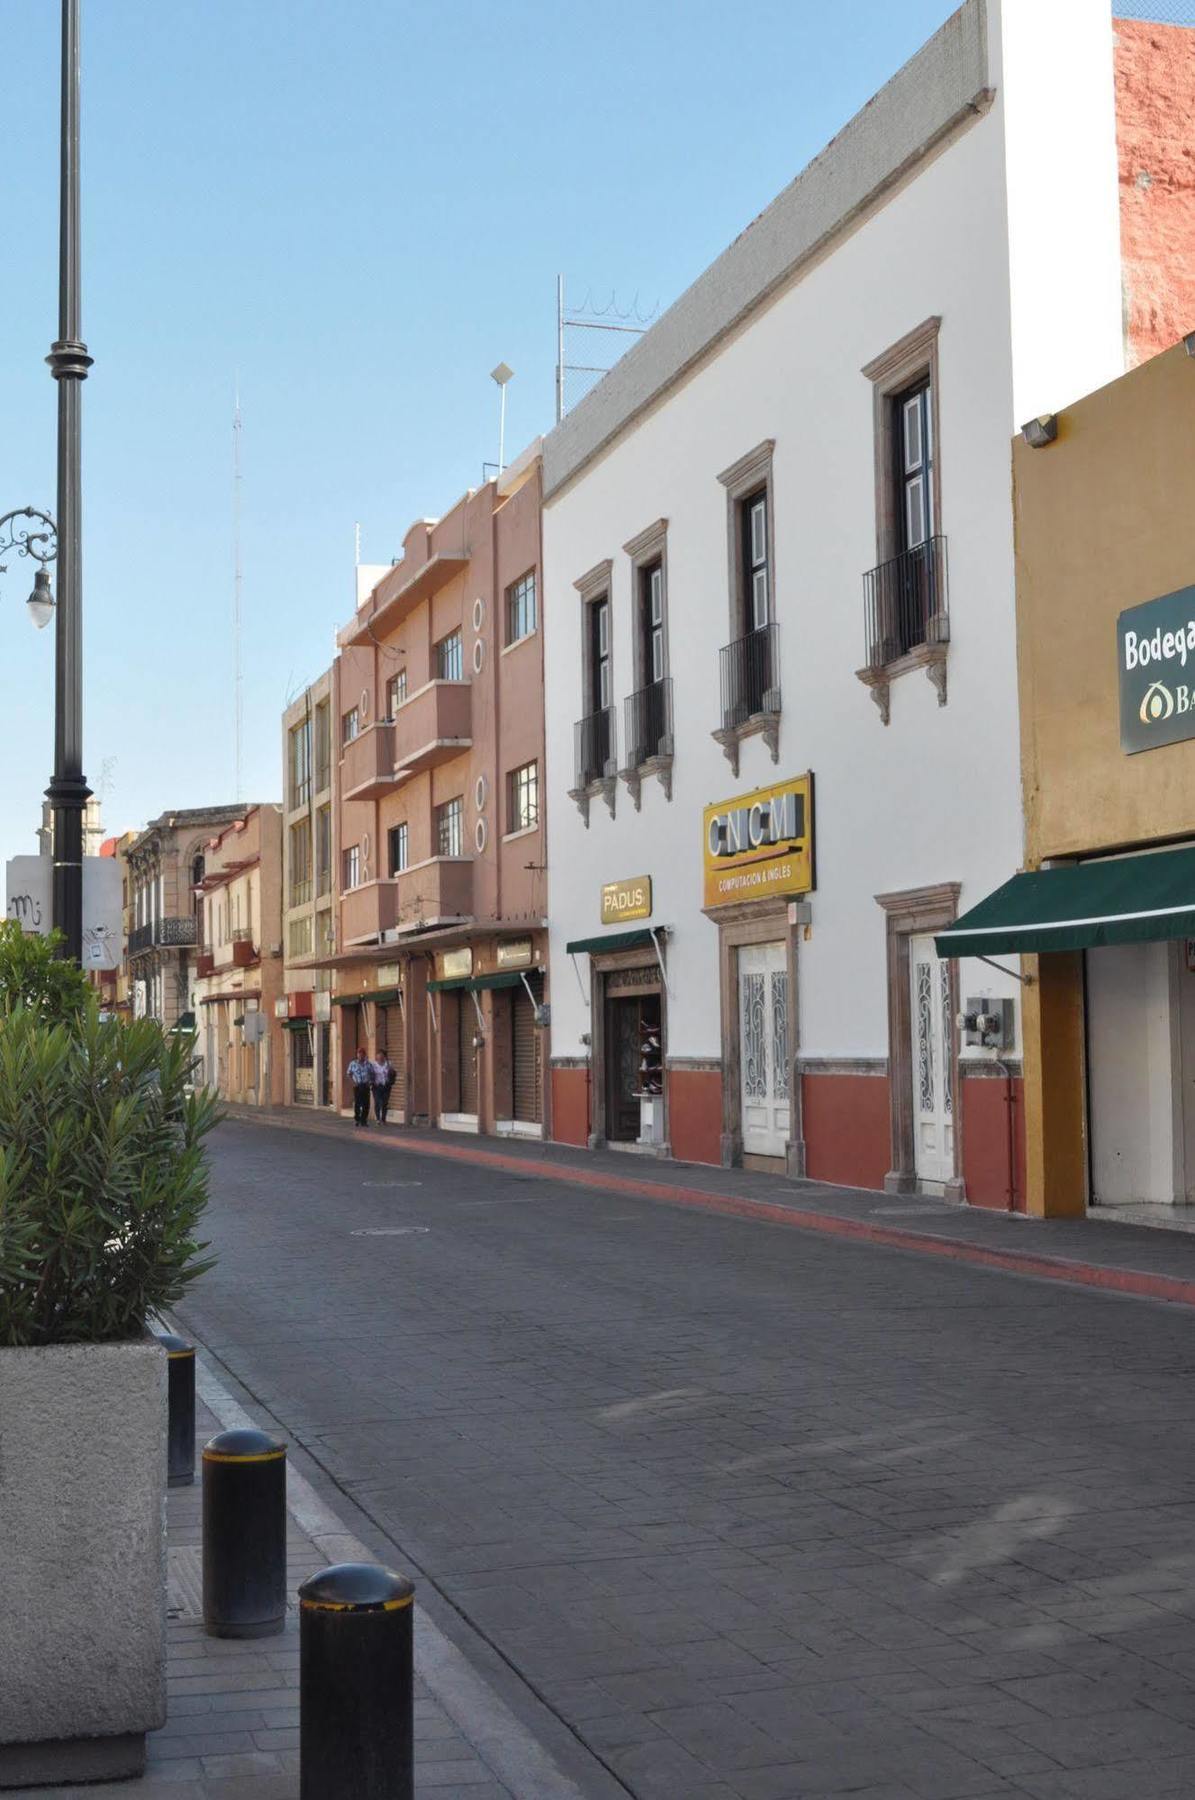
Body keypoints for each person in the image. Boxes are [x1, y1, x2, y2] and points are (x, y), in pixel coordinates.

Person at [347, 1047, 373, 1126]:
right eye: (359, 1054)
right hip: (357, 1086)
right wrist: (353, 1083)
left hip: (365, 1085)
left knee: (366, 1104)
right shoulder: (353, 1063)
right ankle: (357, 1119)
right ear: (357, 1055)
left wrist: (369, 1082)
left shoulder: (368, 1064)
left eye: (362, 1054)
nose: (360, 1056)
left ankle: (364, 1120)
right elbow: (349, 1073)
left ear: (365, 1055)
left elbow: (372, 1074)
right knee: (358, 1103)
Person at [371, 1051, 396, 1124]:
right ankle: (378, 1118)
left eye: (381, 1056)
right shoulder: (373, 1065)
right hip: (376, 1086)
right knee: (377, 1102)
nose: (380, 1058)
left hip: (386, 1086)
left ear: (384, 1057)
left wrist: (391, 1072)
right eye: (378, 1056)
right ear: (376, 1057)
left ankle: (383, 1119)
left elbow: (393, 1073)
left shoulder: (388, 1064)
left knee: (385, 1102)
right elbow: (370, 1073)